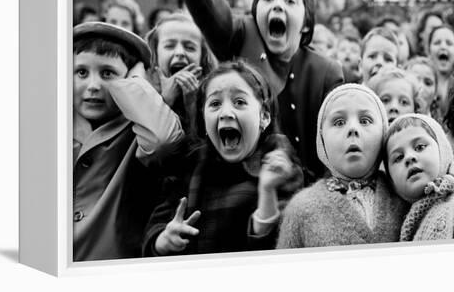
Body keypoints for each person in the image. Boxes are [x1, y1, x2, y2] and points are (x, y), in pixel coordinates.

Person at [152, 0, 343, 183]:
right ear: (254, 13)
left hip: (306, 192)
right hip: (241, 185)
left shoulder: (326, 72)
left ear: (307, 21)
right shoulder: (242, 35)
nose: (277, 5)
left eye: (289, 0)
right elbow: (211, 8)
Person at [141, 61, 303, 256]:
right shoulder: (191, 164)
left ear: (264, 117)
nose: (226, 113)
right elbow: (157, 225)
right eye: (215, 104)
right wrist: (163, 240)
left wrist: (267, 191)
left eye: (240, 102)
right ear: (204, 120)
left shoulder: (279, 163)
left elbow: (284, 246)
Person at [72, 22, 183, 261]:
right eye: (81, 72)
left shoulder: (136, 129)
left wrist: (137, 81)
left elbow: (162, 140)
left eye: (107, 73)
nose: (93, 86)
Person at [276, 84, 408, 248]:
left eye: (365, 120)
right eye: (339, 122)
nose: (353, 128)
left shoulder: (404, 193)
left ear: (383, 132)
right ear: (321, 139)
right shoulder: (301, 208)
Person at [384, 114, 454, 241]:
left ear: (443, 152)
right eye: (398, 157)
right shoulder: (396, 231)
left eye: (420, 147)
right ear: (391, 181)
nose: (409, 157)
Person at [145, 13, 216, 131]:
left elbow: (201, 144)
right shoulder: (142, 92)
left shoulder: (212, 95)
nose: (180, 52)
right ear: (155, 54)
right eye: (169, 46)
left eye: (189, 47)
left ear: (202, 58)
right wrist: (165, 101)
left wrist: (192, 105)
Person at [428, 25, 454, 121]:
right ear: (429, 52)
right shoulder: (420, 80)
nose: (443, 46)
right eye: (437, 42)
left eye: (449, 43)